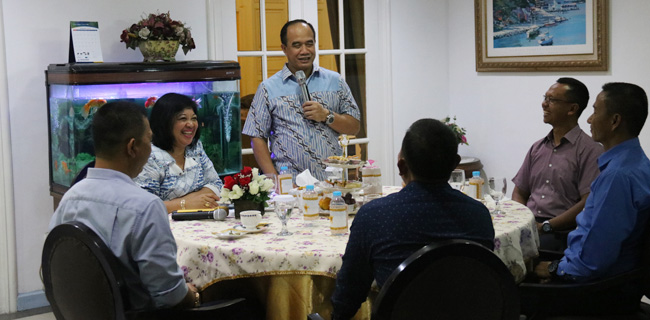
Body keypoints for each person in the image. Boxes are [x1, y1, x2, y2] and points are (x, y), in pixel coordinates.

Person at [331, 119, 495, 319]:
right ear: (454, 164)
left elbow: (348, 296)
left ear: (401, 166)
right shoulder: (479, 215)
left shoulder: (373, 216)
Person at [49, 101, 199, 310]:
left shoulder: (69, 199)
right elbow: (169, 296)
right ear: (132, 147)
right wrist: (195, 296)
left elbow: (50, 268)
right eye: (149, 140)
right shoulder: (145, 207)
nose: (151, 148)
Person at [523, 82, 650, 316]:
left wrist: (553, 271)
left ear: (615, 121)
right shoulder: (635, 163)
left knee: (499, 285)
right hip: (603, 278)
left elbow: (593, 259)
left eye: (594, 111)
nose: (589, 120)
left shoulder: (618, 177)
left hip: (595, 291)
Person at [242, 19, 361, 181]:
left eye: (309, 44)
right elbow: (256, 137)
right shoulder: (268, 88)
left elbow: (354, 126)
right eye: (297, 45)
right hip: (289, 184)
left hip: (333, 182)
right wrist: (274, 179)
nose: (304, 50)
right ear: (284, 48)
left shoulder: (335, 81)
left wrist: (327, 115)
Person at [512, 78, 603, 251]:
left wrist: (547, 226)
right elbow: (519, 191)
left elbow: (587, 202)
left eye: (551, 100)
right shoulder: (537, 147)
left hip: (561, 232)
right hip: (529, 225)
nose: (544, 104)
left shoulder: (590, 151)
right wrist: (521, 221)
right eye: (545, 98)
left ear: (572, 109)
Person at [134, 93, 223, 213]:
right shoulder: (150, 156)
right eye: (183, 119)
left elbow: (216, 183)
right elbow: (145, 206)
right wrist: (185, 204)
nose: (190, 124)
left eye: (194, 118)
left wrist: (184, 202)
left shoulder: (195, 148)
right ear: (165, 122)